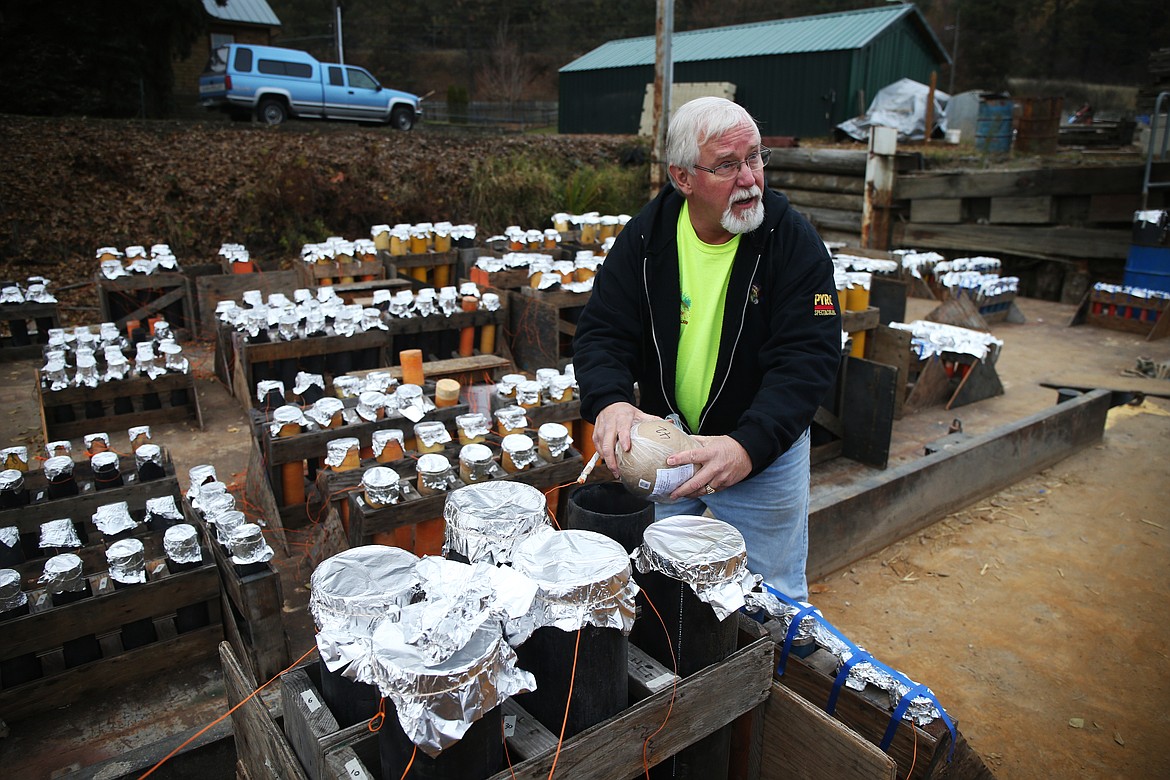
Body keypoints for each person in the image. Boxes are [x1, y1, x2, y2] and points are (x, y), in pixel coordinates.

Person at [572, 96, 842, 600]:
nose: (750, 179)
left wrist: (749, 446)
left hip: (761, 450)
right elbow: (603, 331)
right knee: (664, 579)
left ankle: (778, 666)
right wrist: (608, 400)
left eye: (755, 158)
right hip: (669, 448)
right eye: (727, 165)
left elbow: (809, 358)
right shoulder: (646, 240)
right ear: (682, 178)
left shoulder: (792, 242)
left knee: (775, 594)